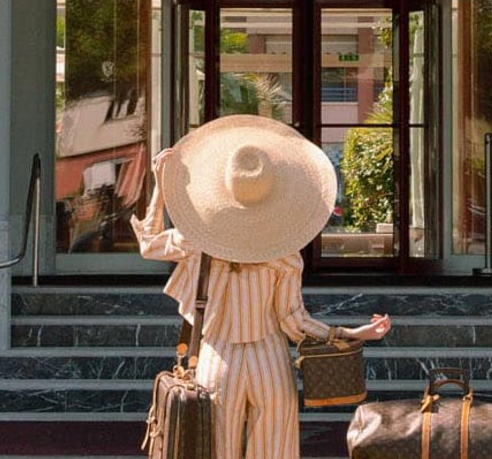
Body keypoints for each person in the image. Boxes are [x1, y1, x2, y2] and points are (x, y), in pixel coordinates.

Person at [133, 115, 392, 459]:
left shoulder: (200, 239)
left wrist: (161, 189)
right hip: (269, 357)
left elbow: (149, 244)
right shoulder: (283, 254)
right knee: (274, 449)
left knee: (217, 449)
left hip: (217, 356)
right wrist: (353, 332)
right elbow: (294, 321)